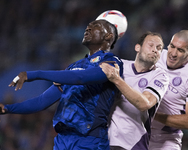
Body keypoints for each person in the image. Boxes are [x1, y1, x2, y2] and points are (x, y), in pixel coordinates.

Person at [0, 19, 123, 150]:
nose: (88, 29)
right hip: (62, 140)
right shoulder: (74, 66)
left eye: (95, 26)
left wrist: (35, 74)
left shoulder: (111, 63)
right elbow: (42, 101)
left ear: (108, 36)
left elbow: (81, 78)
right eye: (87, 26)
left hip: (89, 139)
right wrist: (8, 109)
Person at [100, 31, 169, 150]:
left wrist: (117, 80)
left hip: (133, 144)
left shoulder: (160, 77)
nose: (155, 50)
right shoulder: (120, 66)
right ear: (138, 47)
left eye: (159, 48)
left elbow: (144, 103)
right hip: (105, 140)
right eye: (151, 45)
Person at [149, 30, 188, 150]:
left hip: (165, 139)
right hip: (137, 132)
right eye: (172, 46)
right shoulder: (156, 55)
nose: (173, 53)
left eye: (180, 50)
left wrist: (152, 115)